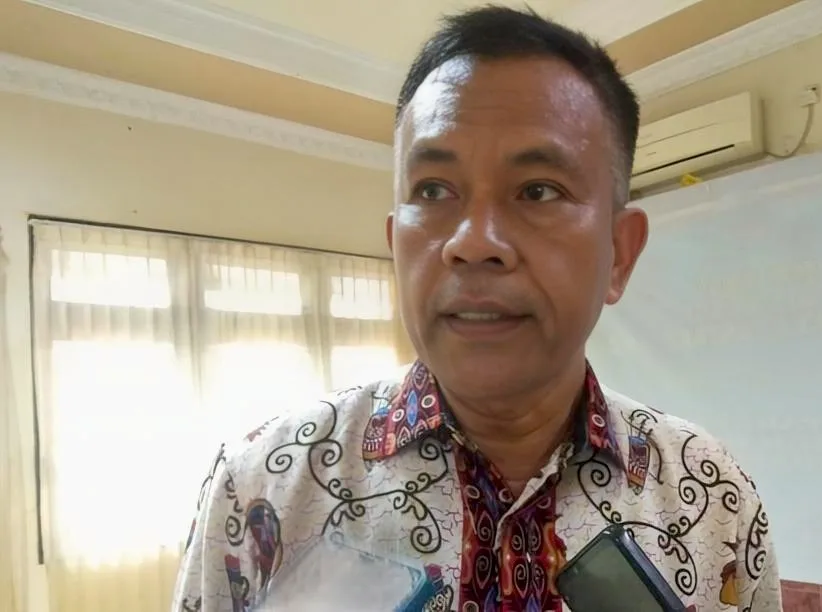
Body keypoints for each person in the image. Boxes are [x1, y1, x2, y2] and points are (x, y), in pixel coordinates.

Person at [172, 6, 781, 612]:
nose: (473, 242)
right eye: (433, 190)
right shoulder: (264, 486)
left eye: (537, 190)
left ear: (619, 254)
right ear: (395, 243)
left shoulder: (712, 496)